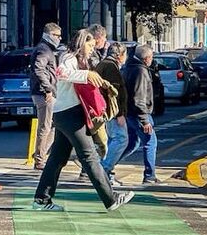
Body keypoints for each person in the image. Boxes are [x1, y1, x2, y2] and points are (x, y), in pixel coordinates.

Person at [32, 29, 135, 212]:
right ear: (81, 43)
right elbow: (62, 73)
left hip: (66, 113)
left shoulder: (80, 60)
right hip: (70, 114)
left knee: (57, 158)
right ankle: (110, 199)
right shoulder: (69, 57)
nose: (92, 49)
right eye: (90, 45)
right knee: (89, 157)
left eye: (94, 45)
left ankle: (42, 199)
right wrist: (86, 75)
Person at [120, 44, 160, 185]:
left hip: (130, 113)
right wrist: (144, 120)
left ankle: (106, 166)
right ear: (146, 58)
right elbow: (139, 98)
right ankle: (150, 176)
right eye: (151, 57)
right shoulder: (141, 71)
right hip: (139, 114)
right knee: (150, 142)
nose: (152, 60)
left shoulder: (129, 67)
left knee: (131, 143)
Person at [95, 42, 128, 187]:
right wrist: (119, 113)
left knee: (113, 140)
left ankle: (107, 173)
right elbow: (114, 93)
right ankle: (104, 169)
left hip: (107, 110)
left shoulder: (104, 65)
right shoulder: (110, 67)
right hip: (112, 111)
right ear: (120, 55)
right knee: (121, 139)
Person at [29, 22, 61, 170]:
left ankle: (40, 154)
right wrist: (48, 89)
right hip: (43, 93)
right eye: (57, 35)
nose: (59, 39)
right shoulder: (43, 50)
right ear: (49, 35)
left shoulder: (47, 49)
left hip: (47, 92)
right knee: (45, 126)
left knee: (53, 125)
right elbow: (38, 69)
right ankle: (40, 159)